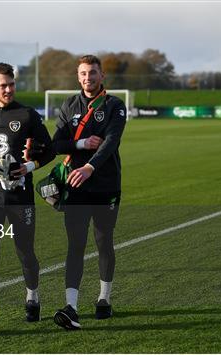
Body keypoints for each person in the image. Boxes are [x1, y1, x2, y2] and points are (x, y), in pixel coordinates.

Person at [0, 62, 55, 339]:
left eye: (11, 84)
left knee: (25, 252)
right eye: (2, 85)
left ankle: (32, 296)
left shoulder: (27, 115)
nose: (8, 89)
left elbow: (49, 150)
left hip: (20, 196)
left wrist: (28, 167)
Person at [51, 55, 127, 330]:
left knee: (104, 241)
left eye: (93, 73)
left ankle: (104, 299)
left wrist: (90, 168)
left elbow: (110, 143)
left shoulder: (114, 106)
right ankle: (71, 306)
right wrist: (81, 144)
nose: (88, 78)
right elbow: (56, 144)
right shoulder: (69, 104)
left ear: (102, 75)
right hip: (76, 186)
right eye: (83, 74)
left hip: (105, 185)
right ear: (78, 76)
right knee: (76, 244)